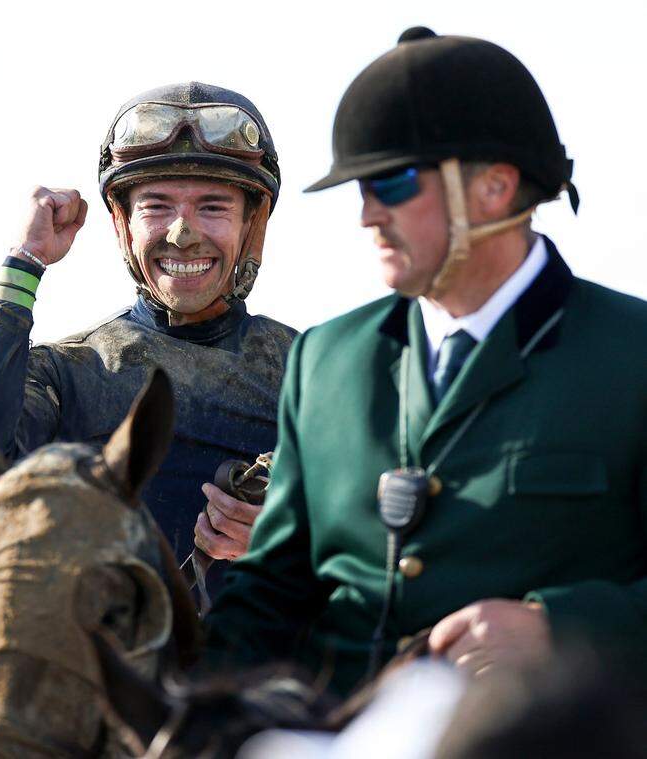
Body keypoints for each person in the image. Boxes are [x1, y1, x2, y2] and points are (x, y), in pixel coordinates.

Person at [205, 27, 647, 697]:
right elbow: (270, 590)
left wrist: (561, 625)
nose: (367, 216)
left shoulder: (631, 352)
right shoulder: (325, 360)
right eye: (361, 190)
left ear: (496, 188)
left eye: (393, 184)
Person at [0, 83, 297, 582]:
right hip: (107, 654)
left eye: (213, 207)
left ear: (251, 223)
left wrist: (289, 535)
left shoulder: (315, 371)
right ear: (123, 223)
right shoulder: (69, 372)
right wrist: (24, 263)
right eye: (157, 207)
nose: (182, 232)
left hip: (285, 655)